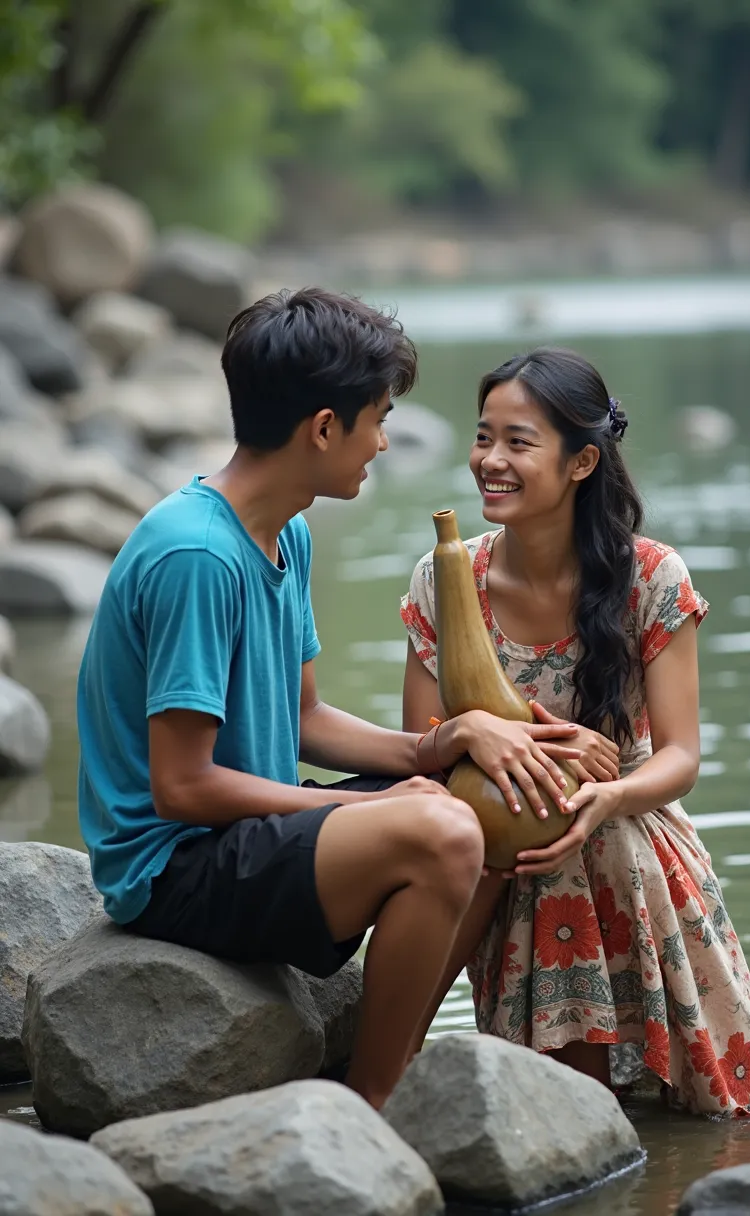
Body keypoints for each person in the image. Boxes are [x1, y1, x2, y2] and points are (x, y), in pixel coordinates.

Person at [75, 289, 593, 1112]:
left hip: (241, 834)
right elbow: (181, 788)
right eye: (377, 419)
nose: (383, 443)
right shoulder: (197, 556)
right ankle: (375, 1101)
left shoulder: (285, 529)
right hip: (174, 869)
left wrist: (445, 745)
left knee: (489, 802)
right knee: (441, 830)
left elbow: (307, 717)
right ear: (323, 427)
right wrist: (345, 817)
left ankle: (393, 1051)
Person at [401, 347, 750, 1115]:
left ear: (582, 461)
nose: (490, 461)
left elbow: (680, 758)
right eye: (484, 438)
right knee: (562, 1129)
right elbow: (424, 756)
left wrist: (605, 795)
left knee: (721, 1127)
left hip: (630, 845)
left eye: (518, 442)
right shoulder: (445, 578)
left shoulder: (652, 576)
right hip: (507, 864)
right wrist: (528, 748)